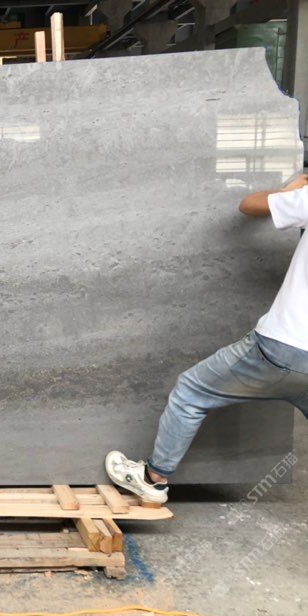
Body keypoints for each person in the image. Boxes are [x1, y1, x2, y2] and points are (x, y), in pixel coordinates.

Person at [105, 174, 308, 504]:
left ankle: (154, 479)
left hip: (282, 346)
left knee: (191, 391)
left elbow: (249, 205)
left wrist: (289, 191)